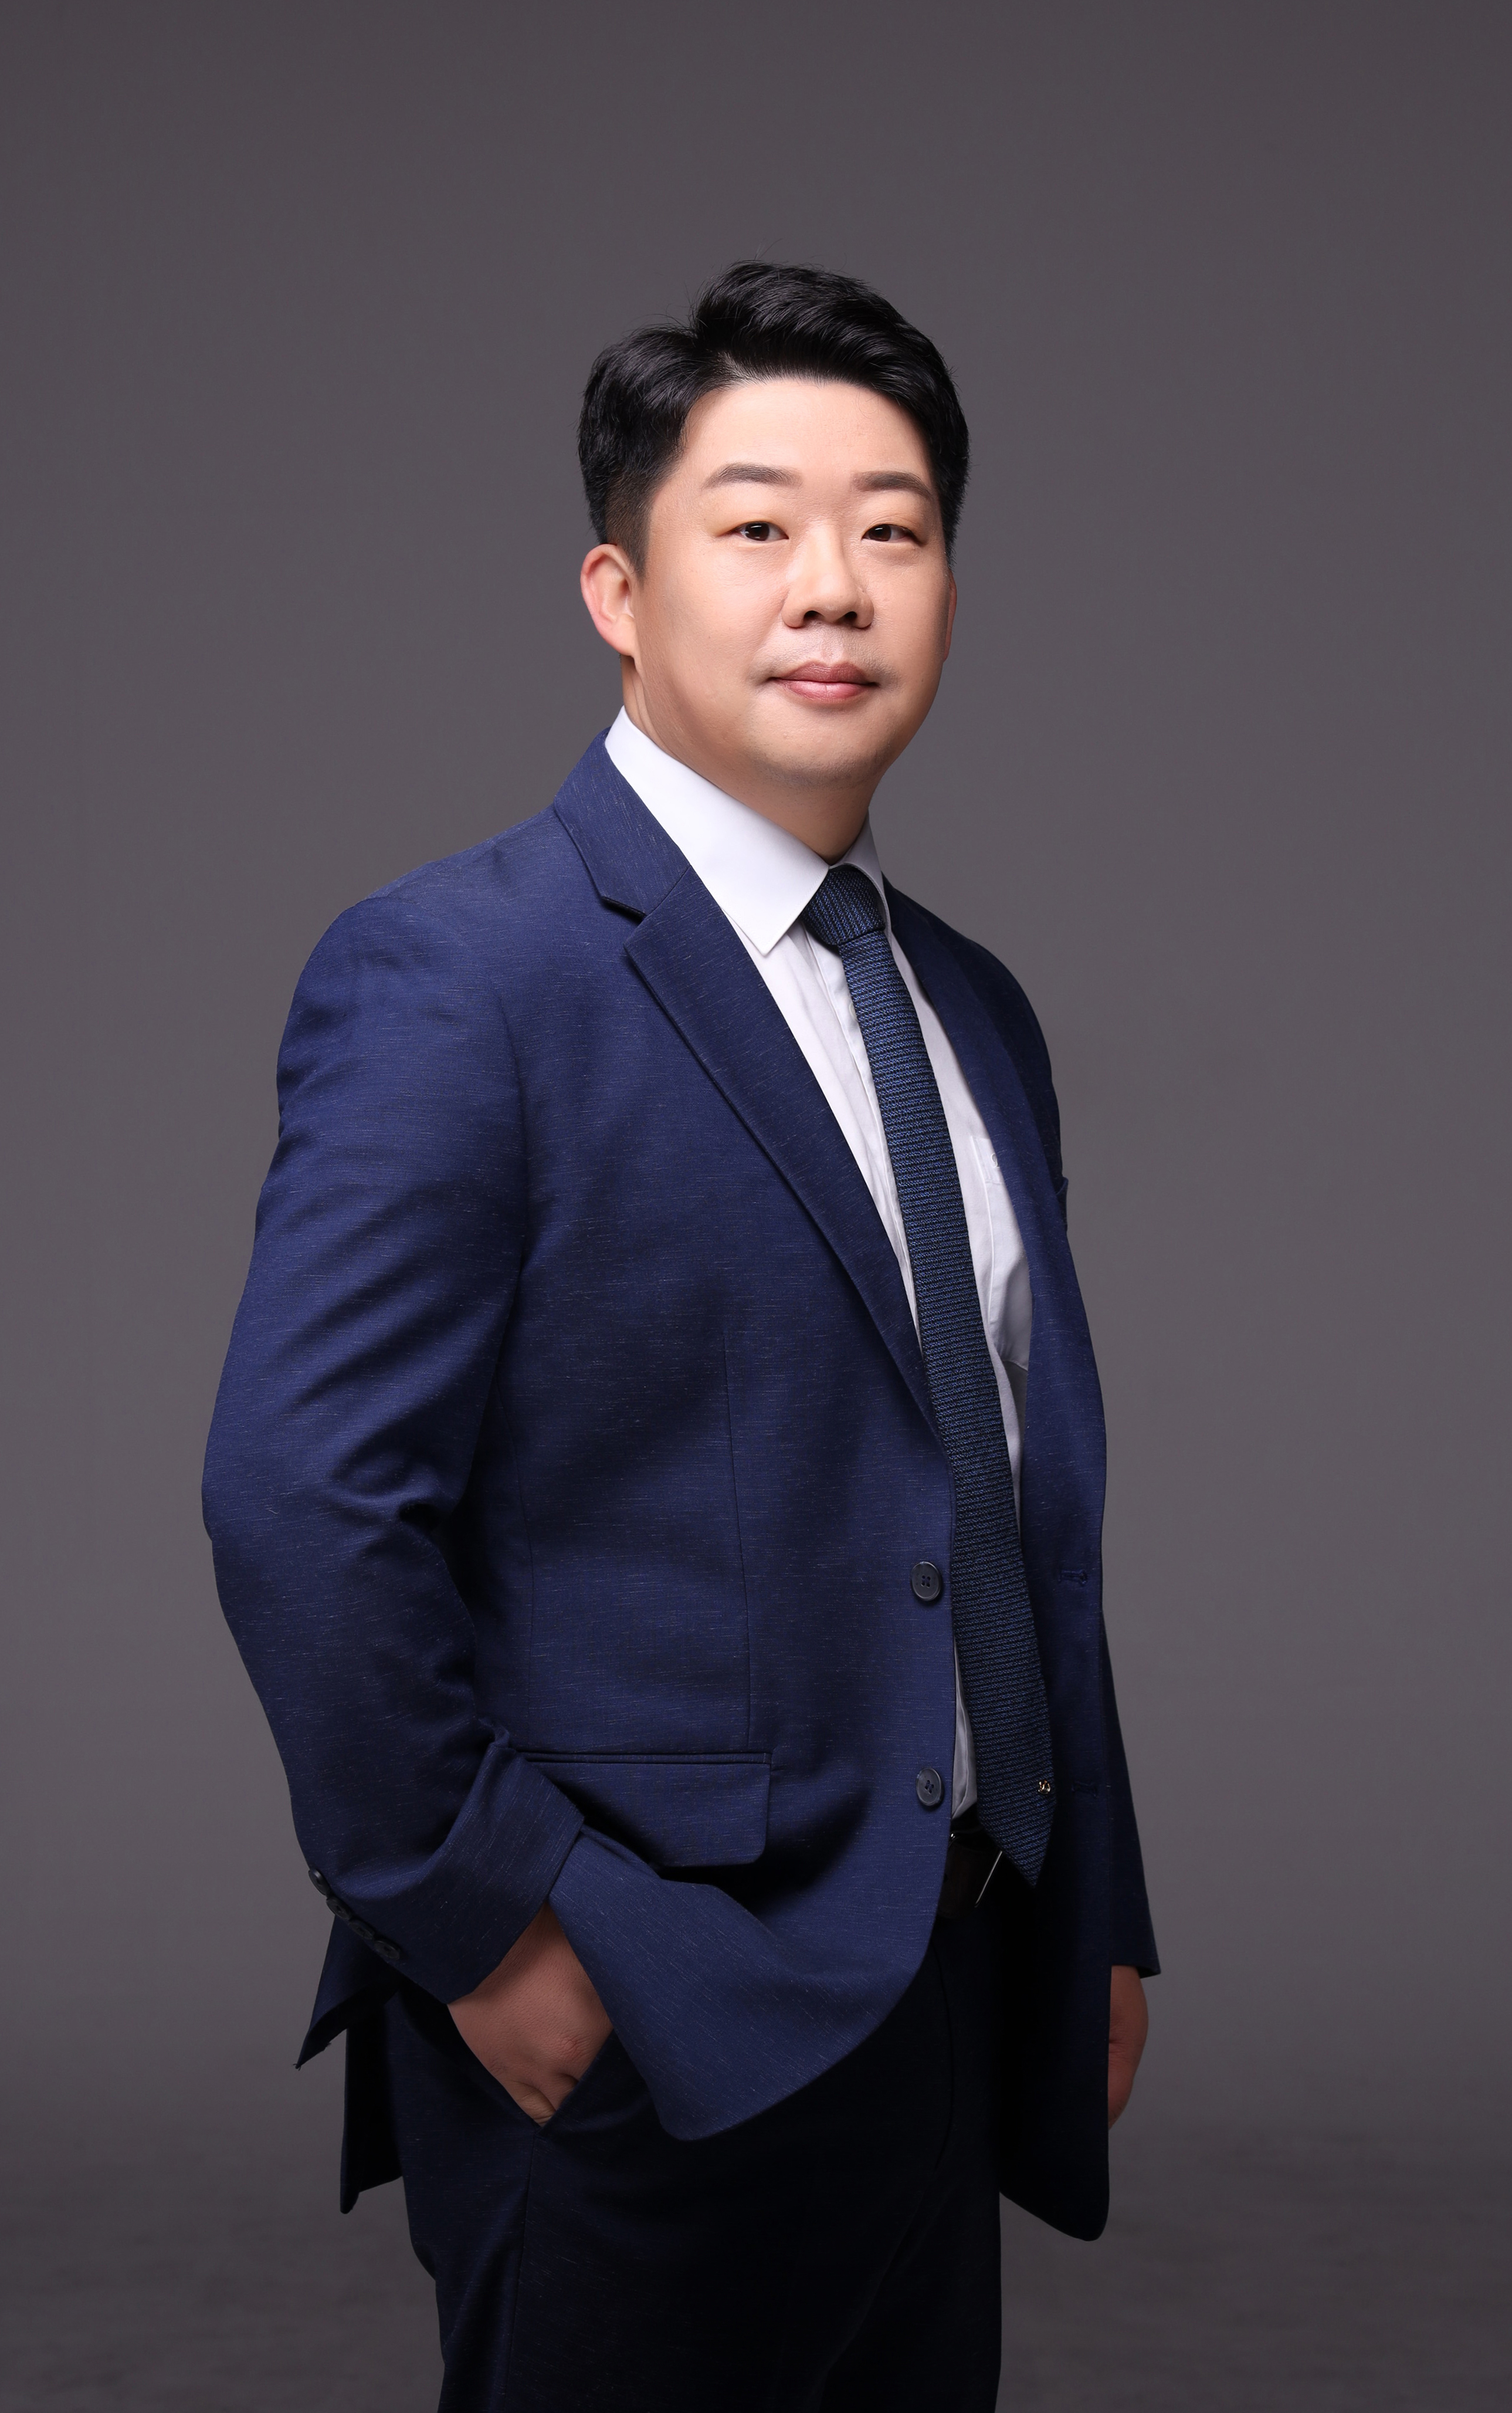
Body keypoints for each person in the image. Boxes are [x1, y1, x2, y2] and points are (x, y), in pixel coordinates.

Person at [204, 260, 1156, 2411]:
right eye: (759, 526)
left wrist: (1089, 1899)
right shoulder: (466, 974)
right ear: (618, 594)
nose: (835, 583)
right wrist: (496, 1932)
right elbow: (302, 1505)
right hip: (642, 2002)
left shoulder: (971, 1010)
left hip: (954, 1983)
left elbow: (1005, 1489)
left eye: (894, 529)